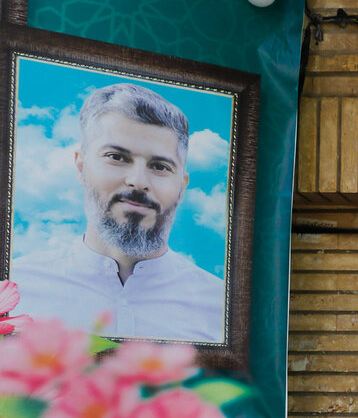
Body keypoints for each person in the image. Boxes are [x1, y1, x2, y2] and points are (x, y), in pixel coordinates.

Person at [9, 83, 225, 342]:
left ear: (182, 186)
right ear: (81, 166)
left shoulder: (221, 308)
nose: (138, 181)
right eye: (117, 157)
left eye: (160, 166)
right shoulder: (15, 291)